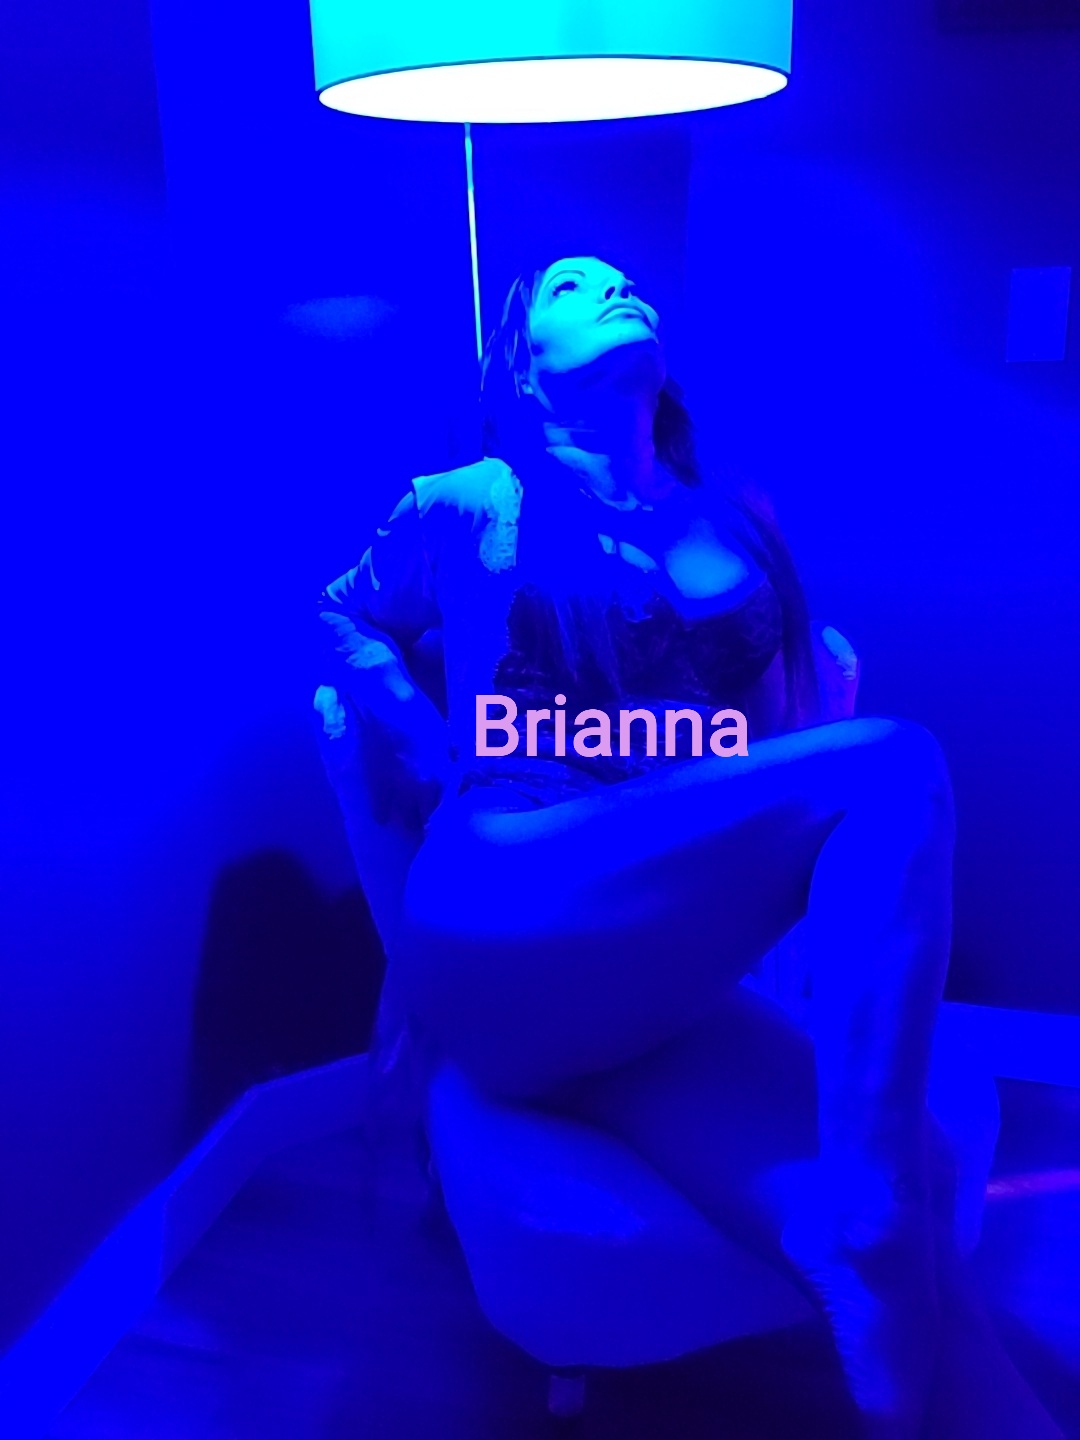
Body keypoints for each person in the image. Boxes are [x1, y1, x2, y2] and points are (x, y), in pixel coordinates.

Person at [315, 256, 1062, 1439]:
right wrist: (419, 732)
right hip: (504, 896)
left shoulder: (729, 517)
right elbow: (337, 611)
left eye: (625, 283)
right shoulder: (466, 497)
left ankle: (875, 1247)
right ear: (524, 369)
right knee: (895, 767)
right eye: (574, 289)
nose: (616, 289)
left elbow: (782, 729)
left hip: (643, 959)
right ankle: (864, 1209)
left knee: (902, 1251)